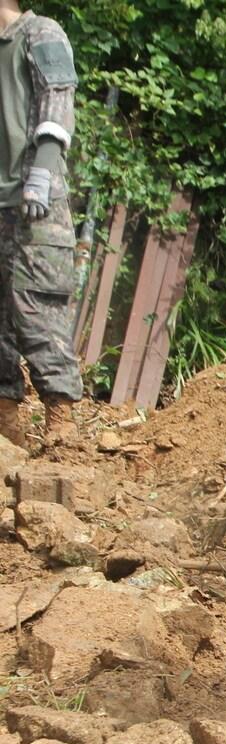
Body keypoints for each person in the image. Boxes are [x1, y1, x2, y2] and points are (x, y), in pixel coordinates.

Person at [0, 2, 82, 449]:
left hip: (35, 201)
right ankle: (6, 430)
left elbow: (57, 101)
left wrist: (42, 172)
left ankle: (61, 428)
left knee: (37, 309)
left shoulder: (40, 34)